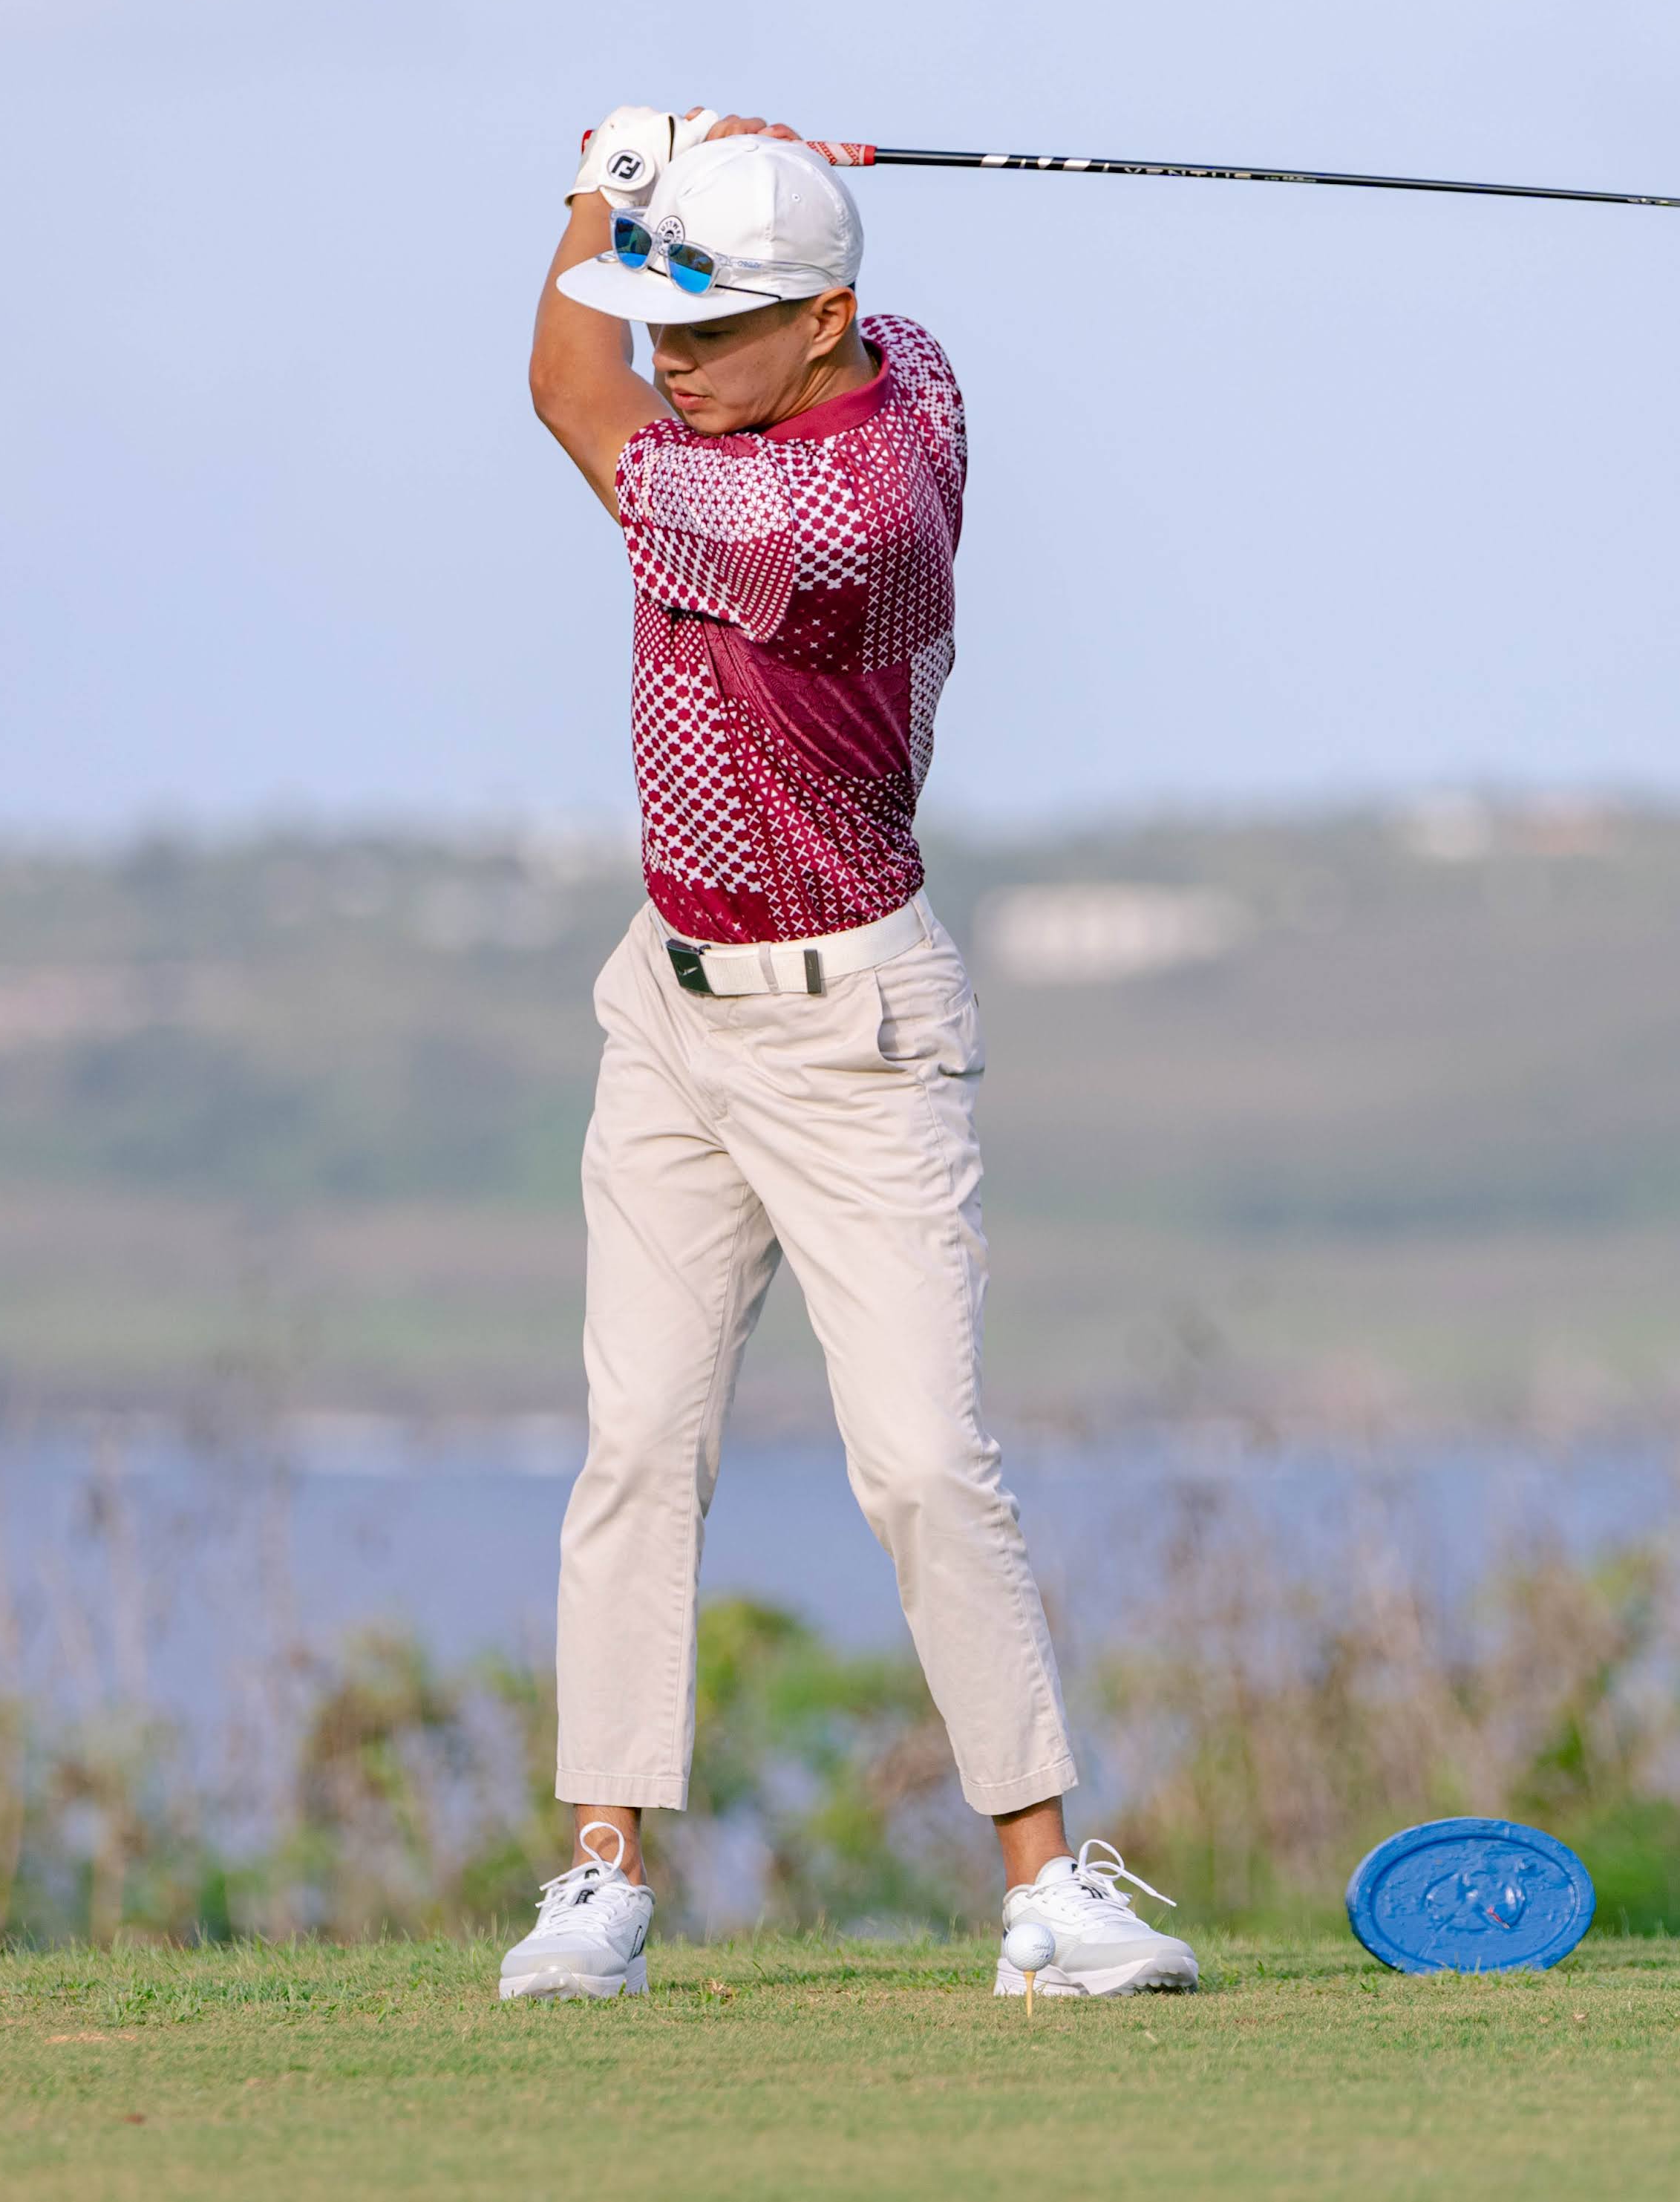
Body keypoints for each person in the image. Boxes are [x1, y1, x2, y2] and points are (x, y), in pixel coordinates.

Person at [494, 103, 1195, 2005]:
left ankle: (1051, 1889)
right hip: (671, 1004)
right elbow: (705, 334)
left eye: (704, 328)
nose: (663, 358)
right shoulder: (919, 371)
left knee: (917, 1460)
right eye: (661, 318)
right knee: (638, 1438)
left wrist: (603, 161)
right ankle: (601, 1880)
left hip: (855, 1032)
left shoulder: (819, 513)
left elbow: (559, 384)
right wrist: (727, 188)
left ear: (817, 327)